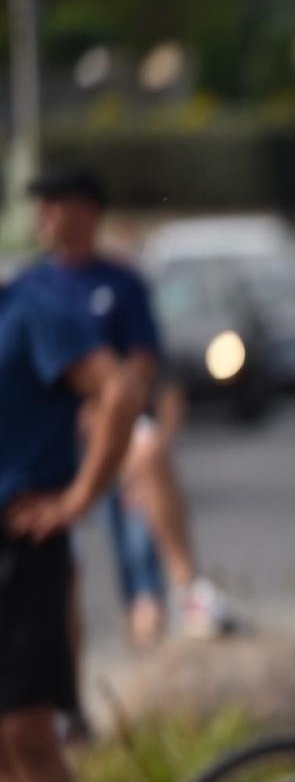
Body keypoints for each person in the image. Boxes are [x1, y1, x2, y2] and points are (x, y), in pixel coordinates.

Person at [15, 167, 235, 645]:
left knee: (145, 452)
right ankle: (66, 694)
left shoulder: (120, 282)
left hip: (111, 417)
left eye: (56, 202)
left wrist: (104, 412)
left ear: (86, 210)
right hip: (52, 432)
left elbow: (141, 363)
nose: (44, 214)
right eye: (42, 205)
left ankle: (175, 592)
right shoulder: (30, 287)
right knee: (57, 569)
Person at [0, 280, 137, 782]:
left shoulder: (29, 311)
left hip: (24, 543)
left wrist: (79, 499)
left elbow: (119, 390)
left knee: (27, 726)